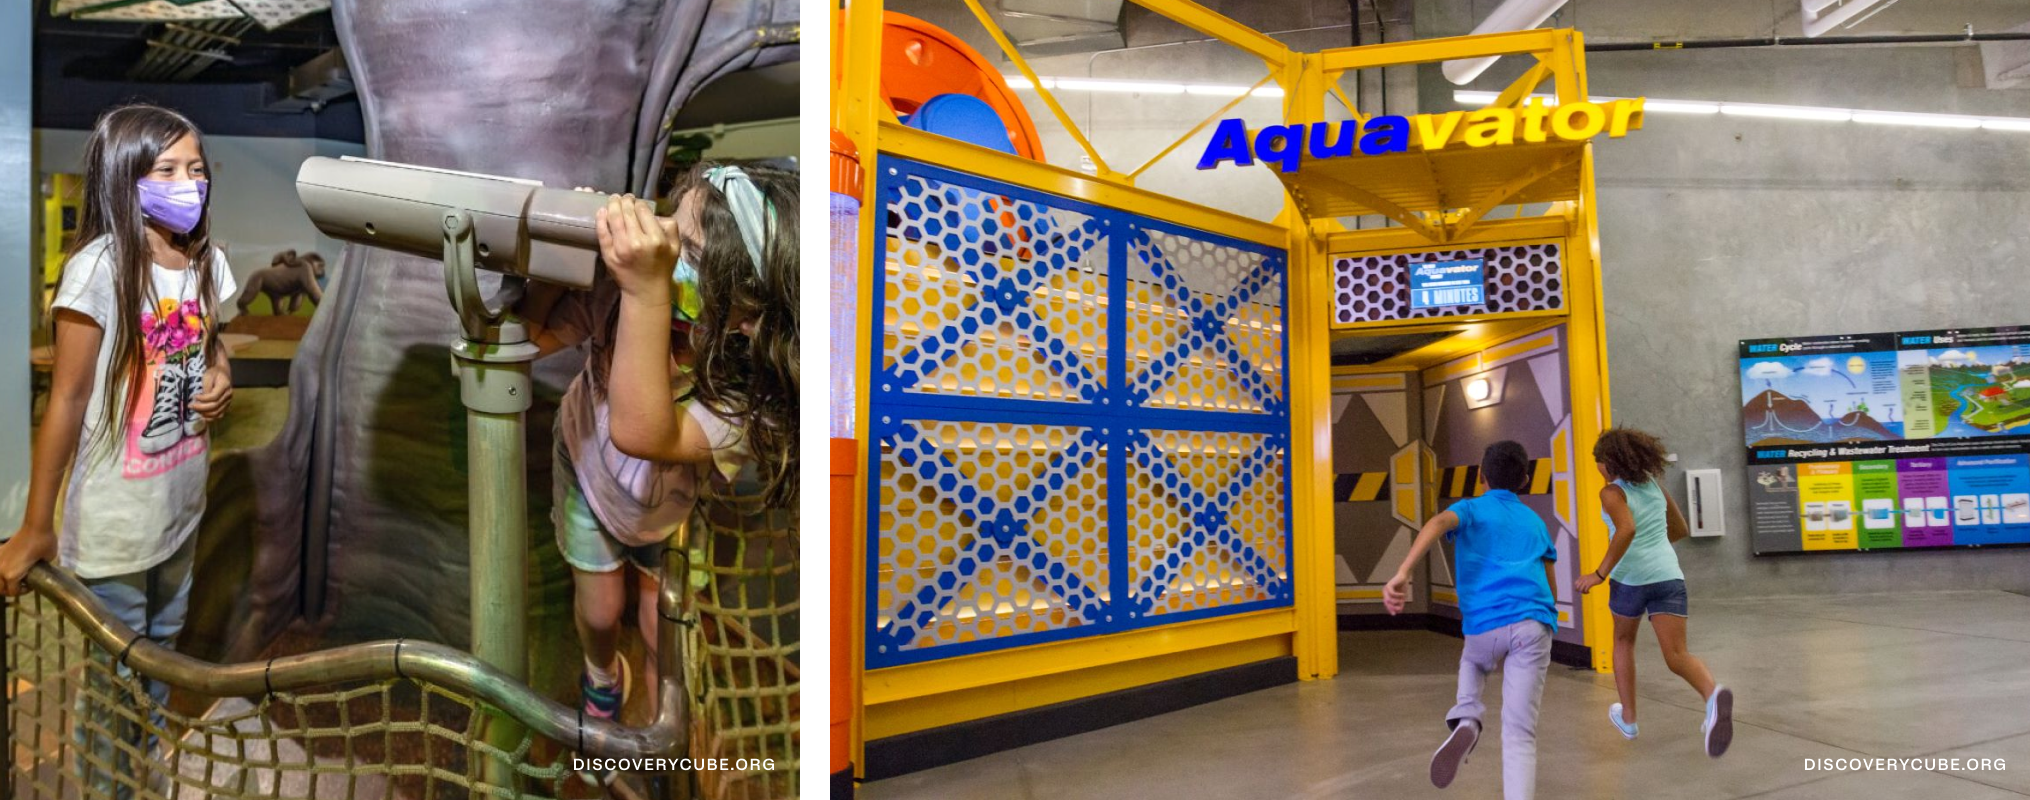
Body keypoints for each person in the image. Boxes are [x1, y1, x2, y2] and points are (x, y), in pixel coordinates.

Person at [0, 103, 237, 794]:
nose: (187, 183)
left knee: (160, 668)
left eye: (196, 169)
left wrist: (221, 376)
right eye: (166, 170)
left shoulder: (206, 261)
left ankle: (144, 782)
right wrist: (37, 525)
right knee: (113, 689)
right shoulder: (98, 271)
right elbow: (67, 400)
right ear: (124, 176)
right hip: (113, 523)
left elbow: (212, 346)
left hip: (180, 510)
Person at [516, 252, 706, 722]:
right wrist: (562, 258)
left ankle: (669, 726)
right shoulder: (615, 291)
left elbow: (644, 432)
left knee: (663, 627)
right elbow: (526, 339)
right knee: (601, 612)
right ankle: (602, 678)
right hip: (591, 467)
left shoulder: (739, 371)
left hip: (668, 495)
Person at [595, 162, 800, 506]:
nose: (664, 252)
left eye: (691, 254)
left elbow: (641, 435)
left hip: (651, 510)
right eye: (669, 228)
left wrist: (644, 291)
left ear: (755, 317)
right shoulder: (619, 290)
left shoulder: (748, 402)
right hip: (580, 465)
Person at [1383, 441, 1558, 800]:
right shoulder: (1536, 523)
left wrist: (1403, 571)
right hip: (1533, 622)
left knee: (1474, 661)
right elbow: (1550, 581)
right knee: (1520, 732)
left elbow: (1438, 522)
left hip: (1484, 625)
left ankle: (1467, 718)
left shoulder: (1472, 509)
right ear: (1524, 480)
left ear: (1481, 476)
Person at [1573, 426, 1733, 758]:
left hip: (1629, 580)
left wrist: (1599, 574)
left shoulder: (1611, 493)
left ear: (1610, 462)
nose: (1598, 468)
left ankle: (1629, 719)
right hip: (1668, 575)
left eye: (1599, 462)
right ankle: (1712, 695)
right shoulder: (1654, 487)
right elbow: (1680, 529)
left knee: (1623, 642)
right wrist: (1654, 550)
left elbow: (1626, 528)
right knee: (1677, 655)